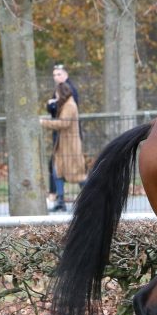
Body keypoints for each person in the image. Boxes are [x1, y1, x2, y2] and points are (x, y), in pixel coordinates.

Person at [39, 81, 87, 212]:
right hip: (62, 145)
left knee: (78, 175)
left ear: (62, 92)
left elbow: (63, 124)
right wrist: (51, 103)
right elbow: (54, 113)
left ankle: (90, 197)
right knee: (56, 171)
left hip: (70, 146)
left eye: (57, 93)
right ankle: (61, 201)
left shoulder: (70, 105)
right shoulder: (65, 104)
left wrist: (44, 122)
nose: (56, 95)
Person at [45, 64, 80, 201]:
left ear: (65, 75)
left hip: (69, 136)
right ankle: (58, 198)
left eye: (58, 74)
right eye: (54, 75)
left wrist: (53, 105)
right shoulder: (59, 89)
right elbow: (51, 108)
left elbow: (63, 113)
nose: (56, 77)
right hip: (60, 134)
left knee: (76, 168)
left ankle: (57, 197)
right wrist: (51, 105)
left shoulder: (69, 90)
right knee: (55, 166)